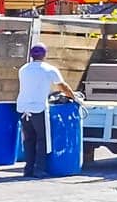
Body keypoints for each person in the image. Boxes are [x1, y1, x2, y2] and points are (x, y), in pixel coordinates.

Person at [16, 43, 79, 179]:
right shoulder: (49, 69)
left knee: (28, 140)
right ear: (44, 55)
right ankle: (39, 170)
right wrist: (74, 97)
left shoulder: (23, 69)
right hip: (39, 108)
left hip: (22, 107)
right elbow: (63, 86)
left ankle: (28, 169)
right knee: (42, 139)